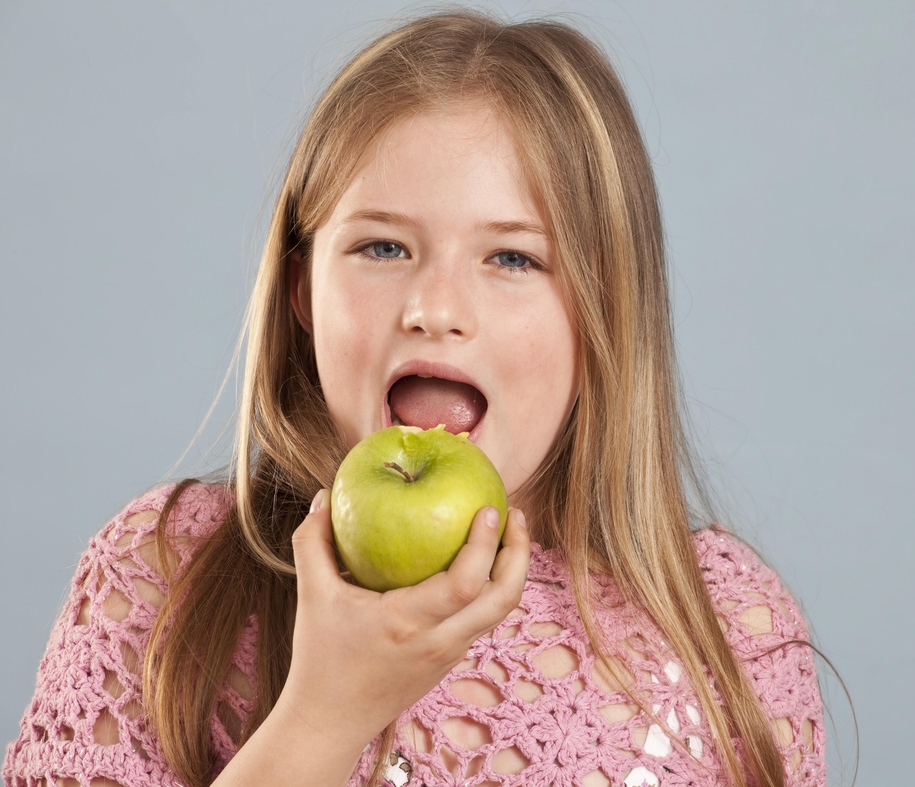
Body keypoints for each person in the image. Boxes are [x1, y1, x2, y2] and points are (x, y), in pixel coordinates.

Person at [3, 11, 824, 787]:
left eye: (511, 259)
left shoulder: (730, 636)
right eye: (383, 245)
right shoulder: (161, 579)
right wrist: (324, 712)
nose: (435, 307)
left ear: (605, 312)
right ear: (302, 293)